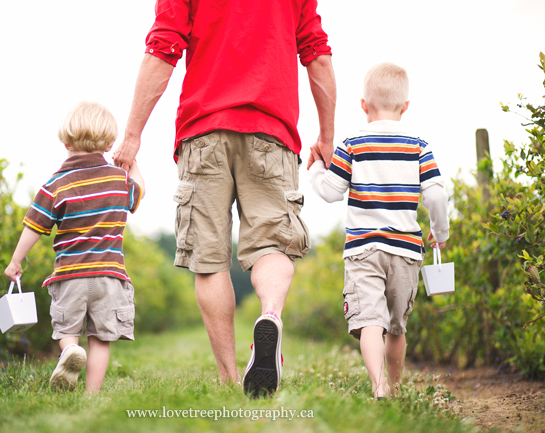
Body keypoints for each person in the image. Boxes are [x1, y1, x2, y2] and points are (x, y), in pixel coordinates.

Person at [112, 0, 336, 397]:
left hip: (204, 132)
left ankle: (230, 377)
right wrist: (327, 137)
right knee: (273, 243)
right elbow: (316, 55)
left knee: (209, 258)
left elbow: (162, 49)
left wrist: (132, 136)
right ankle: (270, 317)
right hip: (273, 130)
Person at [308, 62, 449, 398]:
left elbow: (330, 191)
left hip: (363, 250)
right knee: (397, 328)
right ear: (405, 106)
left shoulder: (352, 144)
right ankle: (396, 387)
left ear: (362, 105)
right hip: (405, 251)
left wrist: (314, 167)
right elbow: (436, 194)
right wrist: (439, 232)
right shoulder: (419, 146)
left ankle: (378, 385)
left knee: (370, 320)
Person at [4, 101, 145, 393]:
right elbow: (140, 191)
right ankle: (91, 395)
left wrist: (16, 260)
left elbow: (33, 227)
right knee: (101, 338)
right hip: (110, 275)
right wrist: (130, 161)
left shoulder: (56, 184)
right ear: (108, 144)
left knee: (67, 330)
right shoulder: (120, 181)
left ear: (64, 140)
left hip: (70, 275)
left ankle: (69, 351)